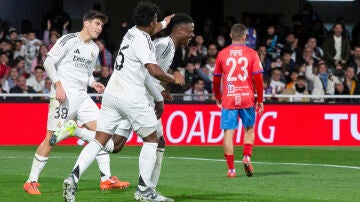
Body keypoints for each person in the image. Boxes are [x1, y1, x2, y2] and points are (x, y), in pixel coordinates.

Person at [62, 2, 184, 202]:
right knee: (153, 140)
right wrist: (173, 78)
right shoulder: (144, 40)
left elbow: (154, 28)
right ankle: (145, 192)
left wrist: (165, 22)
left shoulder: (131, 32)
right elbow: (153, 71)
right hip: (132, 96)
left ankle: (73, 177)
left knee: (101, 140)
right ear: (151, 21)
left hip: (112, 94)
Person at [23, 10, 128, 195]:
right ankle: (31, 181)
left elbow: (86, 74)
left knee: (102, 133)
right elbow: (49, 62)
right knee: (51, 139)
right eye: (97, 23)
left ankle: (106, 179)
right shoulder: (68, 40)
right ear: (86, 23)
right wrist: (58, 85)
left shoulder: (94, 48)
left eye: (102, 25)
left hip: (83, 97)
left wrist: (92, 82)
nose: (100, 28)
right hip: (63, 96)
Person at [213, 24, 264, 178]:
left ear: (230, 35)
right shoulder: (252, 53)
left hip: (229, 98)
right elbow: (258, 78)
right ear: (244, 37)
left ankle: (231, 170)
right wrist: (260, 99)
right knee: (249, 128)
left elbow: (216, 80)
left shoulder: (222, 54)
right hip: (246, 97)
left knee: (229, 132)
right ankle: (247, 157)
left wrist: (217, 96)